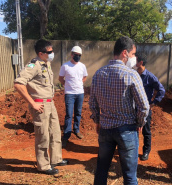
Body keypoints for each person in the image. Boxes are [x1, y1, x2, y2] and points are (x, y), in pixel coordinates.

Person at [89, 36, 150, 185]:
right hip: (127, 130)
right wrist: (139, 122)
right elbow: (144, 106)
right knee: (129, 176)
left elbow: (92, 103)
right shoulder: (131, 74)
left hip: (105, 129)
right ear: (125, 53)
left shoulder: (98, 73)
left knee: (101, 170)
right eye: (133, 54)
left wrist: (98, 121)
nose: (134, 58)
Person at [14, 39, 68, 175]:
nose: (52, 53)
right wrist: (32, 103)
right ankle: (43, 165)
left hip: (50, 103)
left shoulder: (46, 64)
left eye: (52, 51)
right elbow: (18, 84)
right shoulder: (34, 65)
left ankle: (56, 159)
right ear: (41, 53)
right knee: (43, 135)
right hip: (40, 105)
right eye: (49, 52)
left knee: (55, 132)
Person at [135, 52, 165, 161]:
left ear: (140, 62)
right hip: (134, 108)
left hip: (145, 109)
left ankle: (146, 151)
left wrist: (153, 102)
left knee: (146, 131)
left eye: (135, 60)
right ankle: (134, 150)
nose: (133, 62)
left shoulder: (150, 77)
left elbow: (161, 90)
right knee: (134, 130)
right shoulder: (133, 74)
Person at [59, 46, 88, 147]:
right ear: (71, 54)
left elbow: (85, 77)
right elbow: (60, 78)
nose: (78, 57)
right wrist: (67, 85)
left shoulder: (82, 66)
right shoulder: (65, 66)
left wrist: (79, 83)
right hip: (69, 94)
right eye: (76, 55)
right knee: (69, 114)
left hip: (80, 93)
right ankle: (66, 135)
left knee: (78, 113)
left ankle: (76, 130)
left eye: (79, 55)